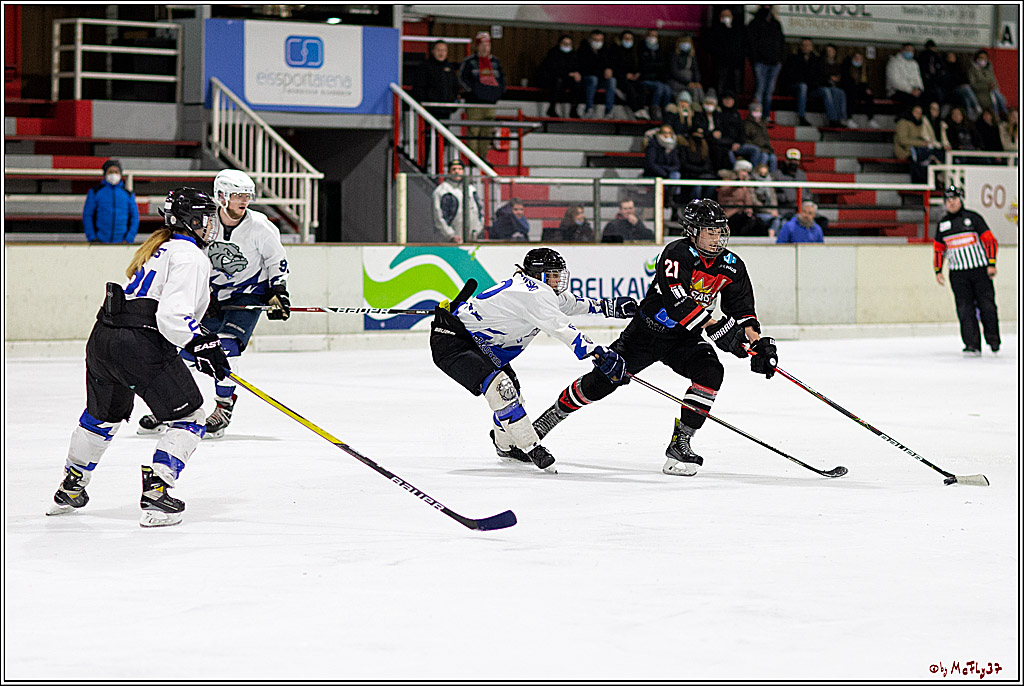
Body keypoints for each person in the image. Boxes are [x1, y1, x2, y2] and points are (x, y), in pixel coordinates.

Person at [530, 199, 779, 478]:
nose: (717, 238)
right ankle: (545, 422)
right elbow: (678, 303)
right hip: (646, 334)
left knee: (710, 372)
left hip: (683, 338)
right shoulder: (676, 253)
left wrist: (757, 343)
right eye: (710, 231)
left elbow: (743, 310)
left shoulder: (732, 265)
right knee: (602, 382)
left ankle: (680, 443)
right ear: (692, 230)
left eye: (720, 231)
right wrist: (714, 326)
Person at [47, 187, 227, 527]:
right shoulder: (191, 256)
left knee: (101, 417)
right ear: (189, 221)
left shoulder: (159, 249)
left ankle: (71, 486)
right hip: (139, 344)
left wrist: (198, 327)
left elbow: (152, 300)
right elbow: (172, 318)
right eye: (206, 219)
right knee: (190, 418)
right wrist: (202, 342)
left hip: (103, 338)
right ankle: (157, 491)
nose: (210, 226)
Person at [429, 248, 636, 471]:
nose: (557, 280)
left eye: (558, 274)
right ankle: (532, 447)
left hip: (481, 345)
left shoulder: (536, 289)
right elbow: (561, 327)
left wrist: (606, 307)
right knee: (503, 390)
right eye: (553, 275)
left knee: (513, 396)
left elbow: (569, 304)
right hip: (455, 343)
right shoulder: (534, 294)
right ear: (538, 275)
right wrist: (597, 351)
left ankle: (506, 447)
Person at [137, 170, 291, 439]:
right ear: (222, 196)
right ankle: (171, 407)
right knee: (185, 351)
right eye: (237, 195)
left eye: (247, 195)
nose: (243, 200)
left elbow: (276, 258)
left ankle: (223, 407)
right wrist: (205, 293)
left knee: (226, 348)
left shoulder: (261, 226)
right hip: (214, 294)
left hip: (247, 293)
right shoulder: (206, 223)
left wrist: (278, 290)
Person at [932, 185, 1000, 356]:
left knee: (988, 307)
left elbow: (990, 241)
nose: (951, 203)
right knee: (964, 309)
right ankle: (972, 344)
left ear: (960, 200)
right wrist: (938, 270)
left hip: (979, 271)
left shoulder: (973, 218)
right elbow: (939, 249)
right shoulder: (943, 225)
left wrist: (991, 263)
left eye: (954, 199)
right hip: (958, 274)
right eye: (948, 200)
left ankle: (993, 340)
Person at [458, 32, 506, 160]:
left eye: (488, 45)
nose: (485, 48)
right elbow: (462, 78)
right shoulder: (469, 62)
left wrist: (497, 94)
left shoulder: (496, 62)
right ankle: (472, 158)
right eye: (482, 45)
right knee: (473, 131)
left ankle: (483, 157)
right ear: (477, 46)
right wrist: (473, 92)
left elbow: (502, 80)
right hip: (474, 103)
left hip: (490, 103)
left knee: (487, 131)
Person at [82, 159, 140, 244]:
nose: (114, 174)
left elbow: (134, 216)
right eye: (110, 172)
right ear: (105, 174)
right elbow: (87, 215)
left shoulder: (128, 194)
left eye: (116, 172)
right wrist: (92, 237)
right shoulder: (95, 192)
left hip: (122, 242)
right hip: (99, 241)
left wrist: (129, 238)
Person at [746, 5, 786, 122]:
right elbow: (751, 43)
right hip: (761, 62)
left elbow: (781, 43)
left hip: (774, 63)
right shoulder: (754, 23)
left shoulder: (776, 24)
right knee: (760, 89)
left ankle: (766, 115)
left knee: (769, 91)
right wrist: (755, 59)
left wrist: (780, 60)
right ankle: (756, 115)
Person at [430, 159, 482, 243]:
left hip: (471, 238)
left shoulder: (471, 189)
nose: (457, 172)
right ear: (449, 172)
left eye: (459, 169)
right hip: (449, 241)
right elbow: (438, 217)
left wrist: (477, 230)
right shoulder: (442, 191)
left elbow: (480, 211)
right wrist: (451, 235)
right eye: (454, 169)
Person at [782, 37, 827, 127]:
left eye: (808, 45)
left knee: (826, 91)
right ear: (800, 47)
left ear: (812, 47)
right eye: (804, 45)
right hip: (796, 87)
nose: (806, 47)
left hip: (812, 88)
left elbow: (819, 76)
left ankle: (833, 119)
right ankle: (801, 117)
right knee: (803, 86)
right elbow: (790, 75)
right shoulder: (793, 58)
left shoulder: (816, 60)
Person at [411, 39, 460, 121]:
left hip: (446, 109)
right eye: (438, 50)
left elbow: (454, 87)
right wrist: (424, 104)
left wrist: (453, 105)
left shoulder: (450, 68)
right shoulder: (424, 67)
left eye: (444, 50)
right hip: (429, 109)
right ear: (433, 51)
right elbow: (418, 87)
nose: (441, 53)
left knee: (443, 132)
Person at [894, 103, 943, 183]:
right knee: (924, 156)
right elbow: (902, 140)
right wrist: (921, 143)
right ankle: (921, 182)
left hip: (919, 148)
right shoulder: (903, 123)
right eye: (916, 112)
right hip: (905, 150)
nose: (918, 115)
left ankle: (930, 181)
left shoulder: (921, 123)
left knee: (934, 153)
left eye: (920, 113)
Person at [536, 35, 582, 118]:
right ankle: (552, 108)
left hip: (567, 80)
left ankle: (574, 109)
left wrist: (577, 73)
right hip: (552, 79)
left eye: (569, 44)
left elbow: (577, 68)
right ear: (560, 44)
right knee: (558, 81)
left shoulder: (574, 55)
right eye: (565, 43)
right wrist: (569, 74)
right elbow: (553, 70)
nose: (567, 46)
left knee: (577, 82)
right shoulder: (553, 53)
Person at [717, 160, 765, 237]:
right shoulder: (727, 181)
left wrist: (749, 210)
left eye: (747, 172)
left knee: (758, 222)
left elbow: (748, 199)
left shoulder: (745, 184)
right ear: (737, 170)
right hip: (730, 213)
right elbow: (724, 193)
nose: (745, 174)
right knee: (742, 221)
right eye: (743, 171)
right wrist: (736, 183)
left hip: (743, 212)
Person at [705, 8, 746, 99]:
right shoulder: (715, 30)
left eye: (728, 16)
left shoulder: (737, 30)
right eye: (724, 16)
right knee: (720, 87)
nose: (726, 18)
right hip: (721, 64)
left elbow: (740, 46)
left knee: (735, 87)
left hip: (735, 64)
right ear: (720, 18)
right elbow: (712, 46)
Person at [577, 29, 618, 119]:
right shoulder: (583, 50)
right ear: (590, 40)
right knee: (593, 79)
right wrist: (601, 71)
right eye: (595, 40)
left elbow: (610, 64)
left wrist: (609, 69)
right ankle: (589, 109)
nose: (598, 42)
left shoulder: (605, 51)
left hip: (601, 79)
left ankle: (609, 111)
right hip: (587, 80)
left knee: (612, 81)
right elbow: (585, 69)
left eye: (600, 40)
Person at [644, 124, 683, 208]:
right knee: (669, 178)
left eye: (669, 133)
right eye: (665, 132)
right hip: (655, 173)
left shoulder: (673, 147)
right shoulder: (653, 145)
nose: (667, 135)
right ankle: (667, 200)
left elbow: (677, 165)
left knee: (676, 175)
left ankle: (670, 199)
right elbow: (651, 164)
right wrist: (664, 173)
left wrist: (667, 171)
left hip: (667, 173)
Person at [720, 91, 762, 169]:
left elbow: (741, 131)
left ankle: (752, 172)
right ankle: (735, 171)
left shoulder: (737, 115)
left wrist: (738, 143)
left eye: (730, 99)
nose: (728, 101)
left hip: (738, 145)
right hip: (725, 146)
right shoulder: (719, 114)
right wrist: (730, 144)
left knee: (755, 150)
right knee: (728, 153)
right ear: (722, 100)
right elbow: (720, 133)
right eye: (726, 99)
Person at [638, 29, 672, 121]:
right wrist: (655, 66)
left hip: (657, 79)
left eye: (655, 36)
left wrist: (654, 66)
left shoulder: (659, 50)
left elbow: (663, 66)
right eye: (651, 35)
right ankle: (654, 110)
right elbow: (643, 66)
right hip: (645, 79)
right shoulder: (640, 49)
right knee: (659, 88)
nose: (652, 38)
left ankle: (666, 111)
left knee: (667, 89)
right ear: (646, 36)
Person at [840, 51, 879, 128]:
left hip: (860, 90)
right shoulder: (847, 68)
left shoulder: (864, 69)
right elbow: (846, 83)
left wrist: (867, 89)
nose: (858, 60)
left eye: (860, 59)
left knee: (869, 96)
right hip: (849, 90)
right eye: (856, 58)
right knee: (851, 95)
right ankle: (849, 118)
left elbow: (865, 83)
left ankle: (870, 119)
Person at [678, 127, 717, 202]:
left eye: (701, 134)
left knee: (712, 185)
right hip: (690, 175)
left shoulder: (704, 147)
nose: (699, 136)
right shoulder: (685, 147)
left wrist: (703, 170)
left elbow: (708, 163)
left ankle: (706, 204)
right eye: (697, 133)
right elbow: (684, 164)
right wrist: (699, 170)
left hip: (703, 175)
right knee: (697, 187)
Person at [613, 30, 646, 119]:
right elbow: (614, 68)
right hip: (621, 79)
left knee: (642, 87)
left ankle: (641, 109)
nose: (628, 41)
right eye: (626, 39)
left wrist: (637, 74)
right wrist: (625, 75)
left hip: (634, 78)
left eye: (630, 39)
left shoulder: (635, 52)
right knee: (630, 89)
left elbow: (640, 66)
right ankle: (636, 110)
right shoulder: (616, 52)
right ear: (621, 39)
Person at [940, 51, 982, 120]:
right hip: (951, 91)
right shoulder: (945, 68)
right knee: (966, 88)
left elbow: (965, 79)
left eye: (953, 56)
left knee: (966, 99)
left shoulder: (959, 67)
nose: (952, 58)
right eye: (950, 57)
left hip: (961, 92)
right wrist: (959, 82)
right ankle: (976, 106)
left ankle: (969, 118)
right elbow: (949, 82)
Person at [968, 50, 1008, 121]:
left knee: (996, 94)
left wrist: (992, 86)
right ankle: (1005, 114)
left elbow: (995, 83)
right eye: (981, 58)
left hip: (992, 94)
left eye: (984, 58)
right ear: (976, 59)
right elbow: (973, 85)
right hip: (980, 95)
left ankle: (1001, 115)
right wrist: (987, 86)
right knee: (996, 97)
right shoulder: (972, 70)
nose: (983, 60)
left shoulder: (989, 70)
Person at [666, 35, 704, 107]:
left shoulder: (691, 56)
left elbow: (695, 70)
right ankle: (687, 106)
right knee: (692, 89)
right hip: (676, 82)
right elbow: (674, 71)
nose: (686, 44)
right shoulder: (674, 55)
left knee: (698, 89)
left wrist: (697, 82)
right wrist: (688, 82)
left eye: (687, 42)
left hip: (690, 82)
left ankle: (698, 106)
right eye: (683, 42)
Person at [821, 44, 853, 128]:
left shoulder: (837, 65)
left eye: (831, 51)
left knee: (840, 92)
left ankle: (842, 118)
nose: (829, 53)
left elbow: (839, 78)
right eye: (828, 51)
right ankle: (833, 119)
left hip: (834, 87)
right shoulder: (821, 63)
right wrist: (829, 78)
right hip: (823, 86)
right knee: (832, 91)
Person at [886, 43, 924, 111]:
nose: (910, 52)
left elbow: (918, 78)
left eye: (911, 51)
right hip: (897, 91)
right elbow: (895, 81)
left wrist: (919, 88)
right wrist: (910, 90)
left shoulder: (914, 64)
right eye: (908, 50)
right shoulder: (894, 62)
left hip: (913, 91)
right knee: (910, 100)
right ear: (902, 51)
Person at [743, 101, 777, 171]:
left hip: (764, 148)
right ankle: (757, 173)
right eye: (756, 111)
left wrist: (769, 149)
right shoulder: (747, 124)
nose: (758, 113)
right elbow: (747, 139)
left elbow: (766, 139)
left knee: (773, 157)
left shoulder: (763, 124)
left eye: (759, 111)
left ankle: (772, 176)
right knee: (764, 156)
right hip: (755, 147)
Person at [752, 161, 781, 237]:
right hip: (760, 212)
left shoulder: (770, 184)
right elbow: (754, 201)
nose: (763, 176)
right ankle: (772, 239)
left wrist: (775, 209)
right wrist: (770, 211)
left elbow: (773, 198)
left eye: (765, 174)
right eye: (761, 174)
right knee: (776, 220)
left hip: (772, 211)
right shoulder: (753, 184)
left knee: (782, 220)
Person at [917, 39, 947, 107]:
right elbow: (923, 72)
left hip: (938, 81)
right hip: (927, 83)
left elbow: (943, 70)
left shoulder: (938, 57)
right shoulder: (923, 57)